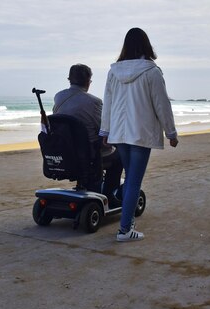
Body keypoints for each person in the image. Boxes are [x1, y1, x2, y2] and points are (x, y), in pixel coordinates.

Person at [100, 28, 179, 242]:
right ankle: (125, 229)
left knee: (131, 176)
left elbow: (107, 104)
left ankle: (123, 205)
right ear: (147, 45)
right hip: (141, 132)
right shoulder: (152, 71)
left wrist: (105, 130)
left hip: (119, 132)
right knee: (134, 180)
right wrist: (171, 132)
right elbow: (161, 104)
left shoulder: (113, 72)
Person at [53, 64, 123, 205]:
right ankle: (109, 193)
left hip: (66, 152)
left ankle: (86, 183)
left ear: (70, 80)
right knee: (119, 156)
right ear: (88, 81)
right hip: (90, 154)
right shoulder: (94, 102)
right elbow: (104, 128)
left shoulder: (58, 97)